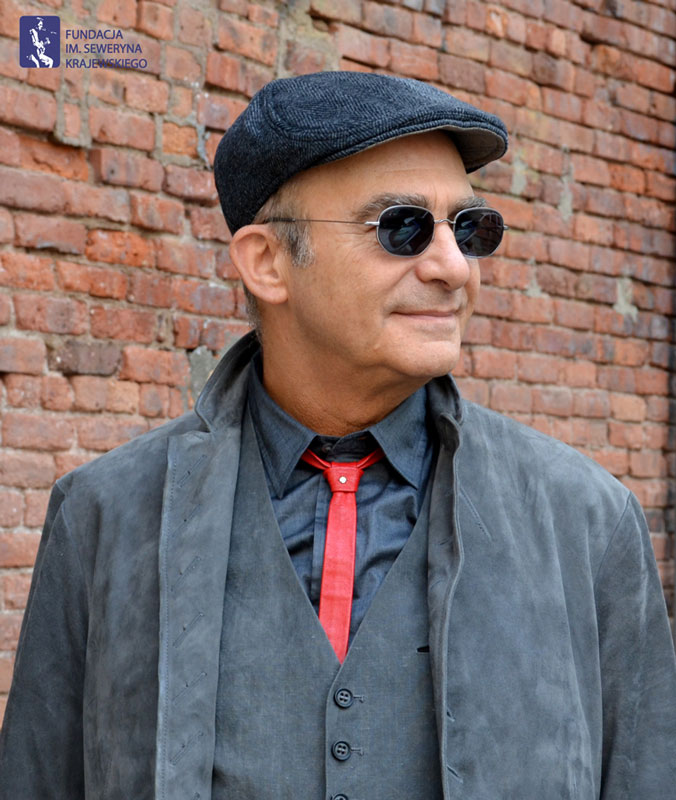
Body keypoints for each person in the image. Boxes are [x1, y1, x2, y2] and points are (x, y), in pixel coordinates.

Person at [0, 71, 674, 800]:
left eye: (468, 229)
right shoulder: (104, 518)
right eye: (402, 227)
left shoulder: (587, 524)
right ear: (267, 263)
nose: (454, 268)